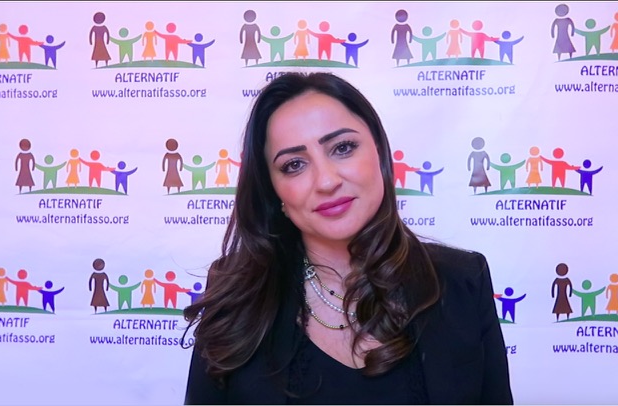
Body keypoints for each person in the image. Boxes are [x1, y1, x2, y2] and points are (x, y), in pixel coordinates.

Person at [182, 72, 513, 405]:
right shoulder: (236, 293)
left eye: (343, 148)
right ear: (274, 191)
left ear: (380, 152)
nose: (326, 181)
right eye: (294, 165)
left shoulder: (462, 281)